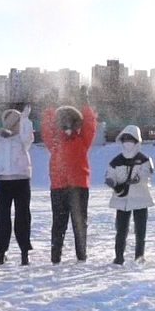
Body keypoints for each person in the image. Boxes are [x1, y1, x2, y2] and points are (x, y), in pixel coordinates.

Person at [41, 103, 97, 264]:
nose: (67, 123)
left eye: (70, 119)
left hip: (79, 186)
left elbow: (90, 126)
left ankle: (81, 255)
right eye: (63, 119)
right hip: (59, 186)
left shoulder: (82, 139)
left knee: (79, 223)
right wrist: (49, 107)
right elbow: (46, 129)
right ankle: (55, 256)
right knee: (59, 223)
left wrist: (86, 105)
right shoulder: (54, 141)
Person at [0, 106, 35, 265]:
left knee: (22, 217)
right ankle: (1, 251)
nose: (13, 124)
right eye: (11, 121)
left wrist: (25, 119)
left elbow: (28, 136)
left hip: (21, 180)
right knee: (2, 218)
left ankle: (24, 252)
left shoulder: (22, 140)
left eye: (16, 121)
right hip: (3, 181)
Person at [105, 125, 155, 262]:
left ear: (137, 141)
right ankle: (119, 257)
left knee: (140, 231)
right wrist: (112, 181)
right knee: (121, 231)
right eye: (125, 139)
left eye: (131, 139)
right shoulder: (116, 161)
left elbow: (147, 173)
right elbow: (111, 174)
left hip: (141, 198)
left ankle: (139, 256)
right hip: (122, 200)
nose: (128, 142)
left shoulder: (144, 159)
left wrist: (139, 179)